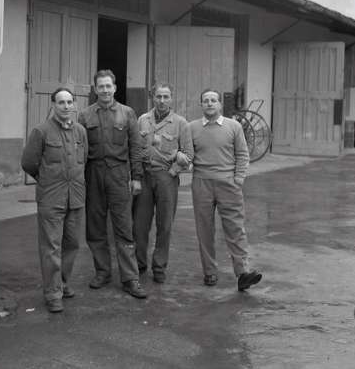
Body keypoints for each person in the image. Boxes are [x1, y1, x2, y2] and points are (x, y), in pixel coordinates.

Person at [78, 69, 147, 299]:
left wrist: (136, 177)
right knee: (95, 226)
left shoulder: (127, 113)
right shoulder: (85, 116)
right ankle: (102, 272)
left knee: (124, 227)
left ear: (115, 88)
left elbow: (136, 147)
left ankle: (130, 278)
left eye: (109, 86)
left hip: (118, 174)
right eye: (101, 86)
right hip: (93, 173)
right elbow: (79, 149)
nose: (105, 90)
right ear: (95, 89)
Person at [21, 88, 88, 313]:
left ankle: (63, 283)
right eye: (61, 102)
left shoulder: (80, 132)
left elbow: (83, 159)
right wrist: (47, 180)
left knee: (72, 244)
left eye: (69, 102)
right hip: (51, 198)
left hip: (75, 196)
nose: (66, 106)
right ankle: (52, 293)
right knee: (51, 247)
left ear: (74, 105)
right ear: (53, 105)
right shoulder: (41, 131)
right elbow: (28, 163)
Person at [188, 89, 262, 292]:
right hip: (202, 183)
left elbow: (243, 154)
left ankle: (243, 272)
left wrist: (238, 179)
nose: (209, 103)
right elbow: (187, 153)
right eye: (205, 100)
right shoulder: (192, 127)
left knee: (235, 228)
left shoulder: (233, 126)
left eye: (213, 100)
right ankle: (209, 272)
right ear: (201, 105)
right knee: (204, 229)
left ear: (220, 104)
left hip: (228, 183)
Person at [133, 83, 192, 283]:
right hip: (145, 175)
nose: (162, 100)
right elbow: (135, 149)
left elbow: (189, 154)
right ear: (153, 97)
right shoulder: (143, 120)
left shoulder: (181, 123)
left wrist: (173, 172)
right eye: (158, 96)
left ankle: (159, 267)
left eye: (166, 96)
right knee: (140, 225)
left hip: (166, 177)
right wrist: (136, 176)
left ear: (171, 98)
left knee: (164, 224)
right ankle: (139, 264)